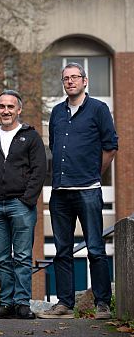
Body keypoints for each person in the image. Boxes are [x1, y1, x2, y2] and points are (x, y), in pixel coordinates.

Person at [36, 63, 117, 320]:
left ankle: (102, 304)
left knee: (95, 248)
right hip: (60, 192)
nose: (70, 81)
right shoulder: (57, 112)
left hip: (88, 190)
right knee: (62, 250)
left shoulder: (98, 109)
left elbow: (111, 146)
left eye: (75, 77)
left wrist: (94, 173)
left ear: (85, 80)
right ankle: (64, 304)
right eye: (66, 78)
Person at [0, 90, 46, 320]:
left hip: (21, 205)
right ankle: (6, 303)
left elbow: (40, 171)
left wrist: (27, 199)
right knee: (1, 258)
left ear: (19, 110)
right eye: (1, 106)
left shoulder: (31, 136)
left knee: (23, 256)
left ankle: (22, 303)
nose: (5, 111)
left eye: (10, 107)